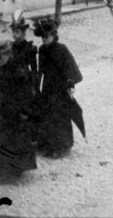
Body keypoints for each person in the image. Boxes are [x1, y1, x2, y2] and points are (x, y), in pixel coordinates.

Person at [34, 17, 83, 158]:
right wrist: (37, 86)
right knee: (47, 114)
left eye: (47, 36)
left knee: (60, 115)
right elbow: (40, 69)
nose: (44, 39)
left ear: (54, 35)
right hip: (48, 86)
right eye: (42, 37)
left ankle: (61, 146)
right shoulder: (42, 50)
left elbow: (69, 67)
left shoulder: (62, 49)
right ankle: (46, 144)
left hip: (60, 87)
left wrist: (71, 84)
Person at [0, 39, 37, 181]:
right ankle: (2, 169)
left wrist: (25, 111)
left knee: (15, 141)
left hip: (16, 112)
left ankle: (14, 172)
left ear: (7, 55)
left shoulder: (18, 69)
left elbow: (27, 92)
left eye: (0, 57)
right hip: (1, 111)